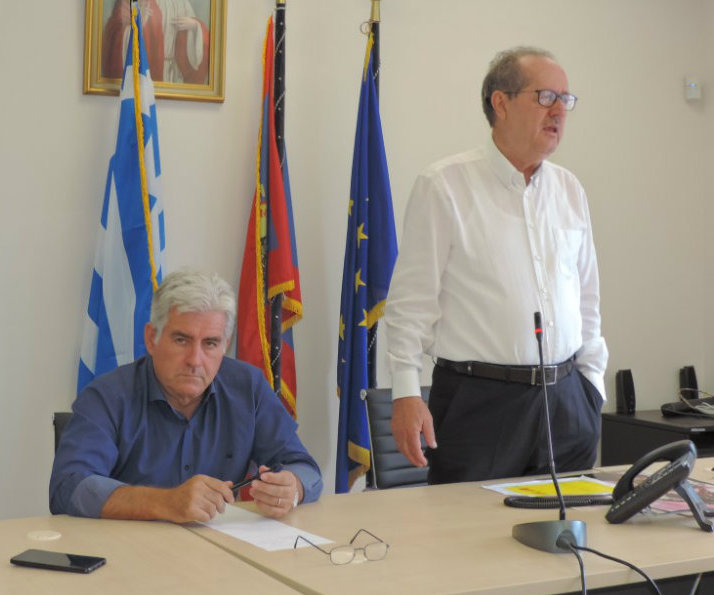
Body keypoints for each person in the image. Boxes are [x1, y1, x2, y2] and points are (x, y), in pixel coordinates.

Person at [384, 47, 608, 484]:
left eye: (566, 99)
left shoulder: (569, 190)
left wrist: (591, 388)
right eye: (546, 97)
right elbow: (411, 303)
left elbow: (587, 300)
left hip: (567, 403)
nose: (559, 111)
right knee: (467, 526)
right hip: (479, 403)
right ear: (500, 103)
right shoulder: (444, 185)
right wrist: (405, 392)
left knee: (568, 527)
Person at [50, 269, 322, 522]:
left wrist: (292, 488)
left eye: (210, 343)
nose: (195, 360)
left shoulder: (248, 388)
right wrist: (165, 502)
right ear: (152, 338)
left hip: (218, 549)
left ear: (225, 346)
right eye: (181, 340)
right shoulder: (107, 396)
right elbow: (69, 486)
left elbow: (305, 468)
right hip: (127, 549)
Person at [102, 0, 209, 84]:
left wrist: (195, 26)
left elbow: (199, 35)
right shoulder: (137, 2)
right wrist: (137, 23)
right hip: (148, 69)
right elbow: (116, 30)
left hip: (174, 73)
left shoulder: (181, 3)